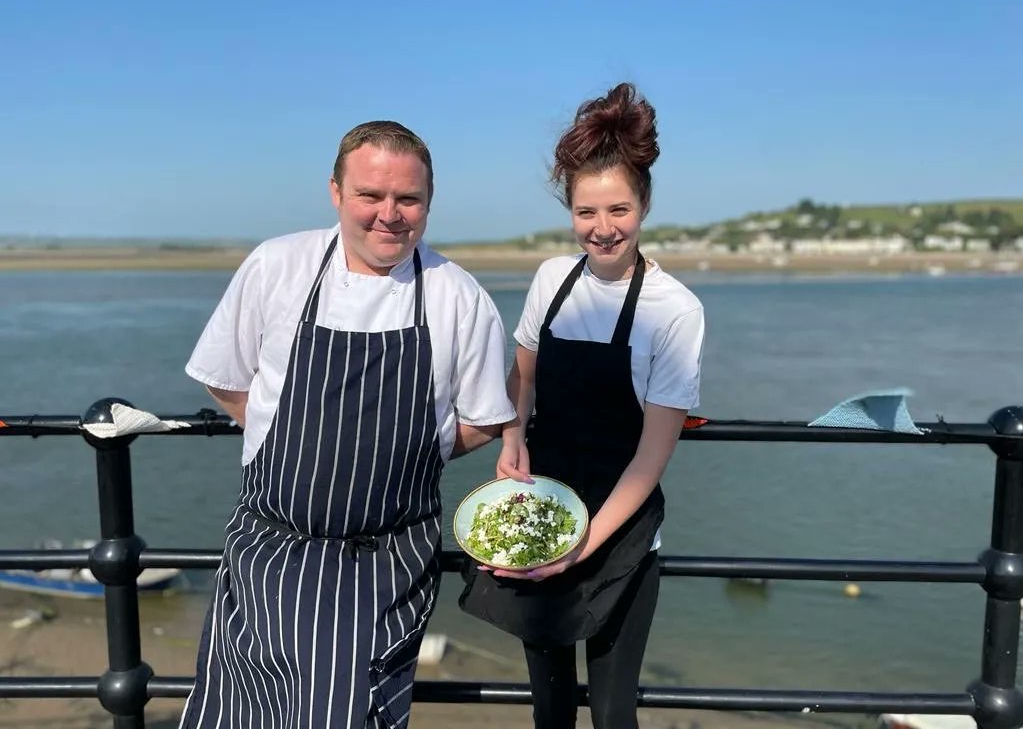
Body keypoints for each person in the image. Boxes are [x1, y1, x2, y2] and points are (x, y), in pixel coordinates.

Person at [179, 121, 518, 729]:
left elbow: (487, 419)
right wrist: (277, 435)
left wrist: (416, 452)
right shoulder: (276, 267)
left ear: (428, 202)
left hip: (385, 566)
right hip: (272, 553)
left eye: (408, 199)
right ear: (336, 192)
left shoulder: (458, 297)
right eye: (370, 195)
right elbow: (225, 378)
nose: (389, 214)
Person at [459, 83, 705, 729]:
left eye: (618, 209)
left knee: (613, 713)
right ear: (569, 208)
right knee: (550, 708)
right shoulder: (550, 279)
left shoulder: (675, 311)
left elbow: (651, 460)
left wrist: (583, 545)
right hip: (545, 513)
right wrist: (512, 435)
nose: (603, 228)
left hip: (620, 534)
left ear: (645, 203)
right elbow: (524, 375)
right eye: (586, 211)